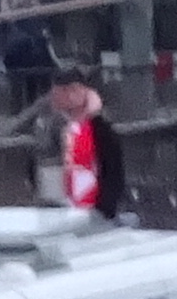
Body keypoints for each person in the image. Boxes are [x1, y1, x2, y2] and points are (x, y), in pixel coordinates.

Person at [40, 74, 132, 221]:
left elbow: (112, 170)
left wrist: (105, 208)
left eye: (59, 92)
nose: (54, 98)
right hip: (63, 210)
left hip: (92, 212)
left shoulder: (98, 128)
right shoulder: (54, 126)